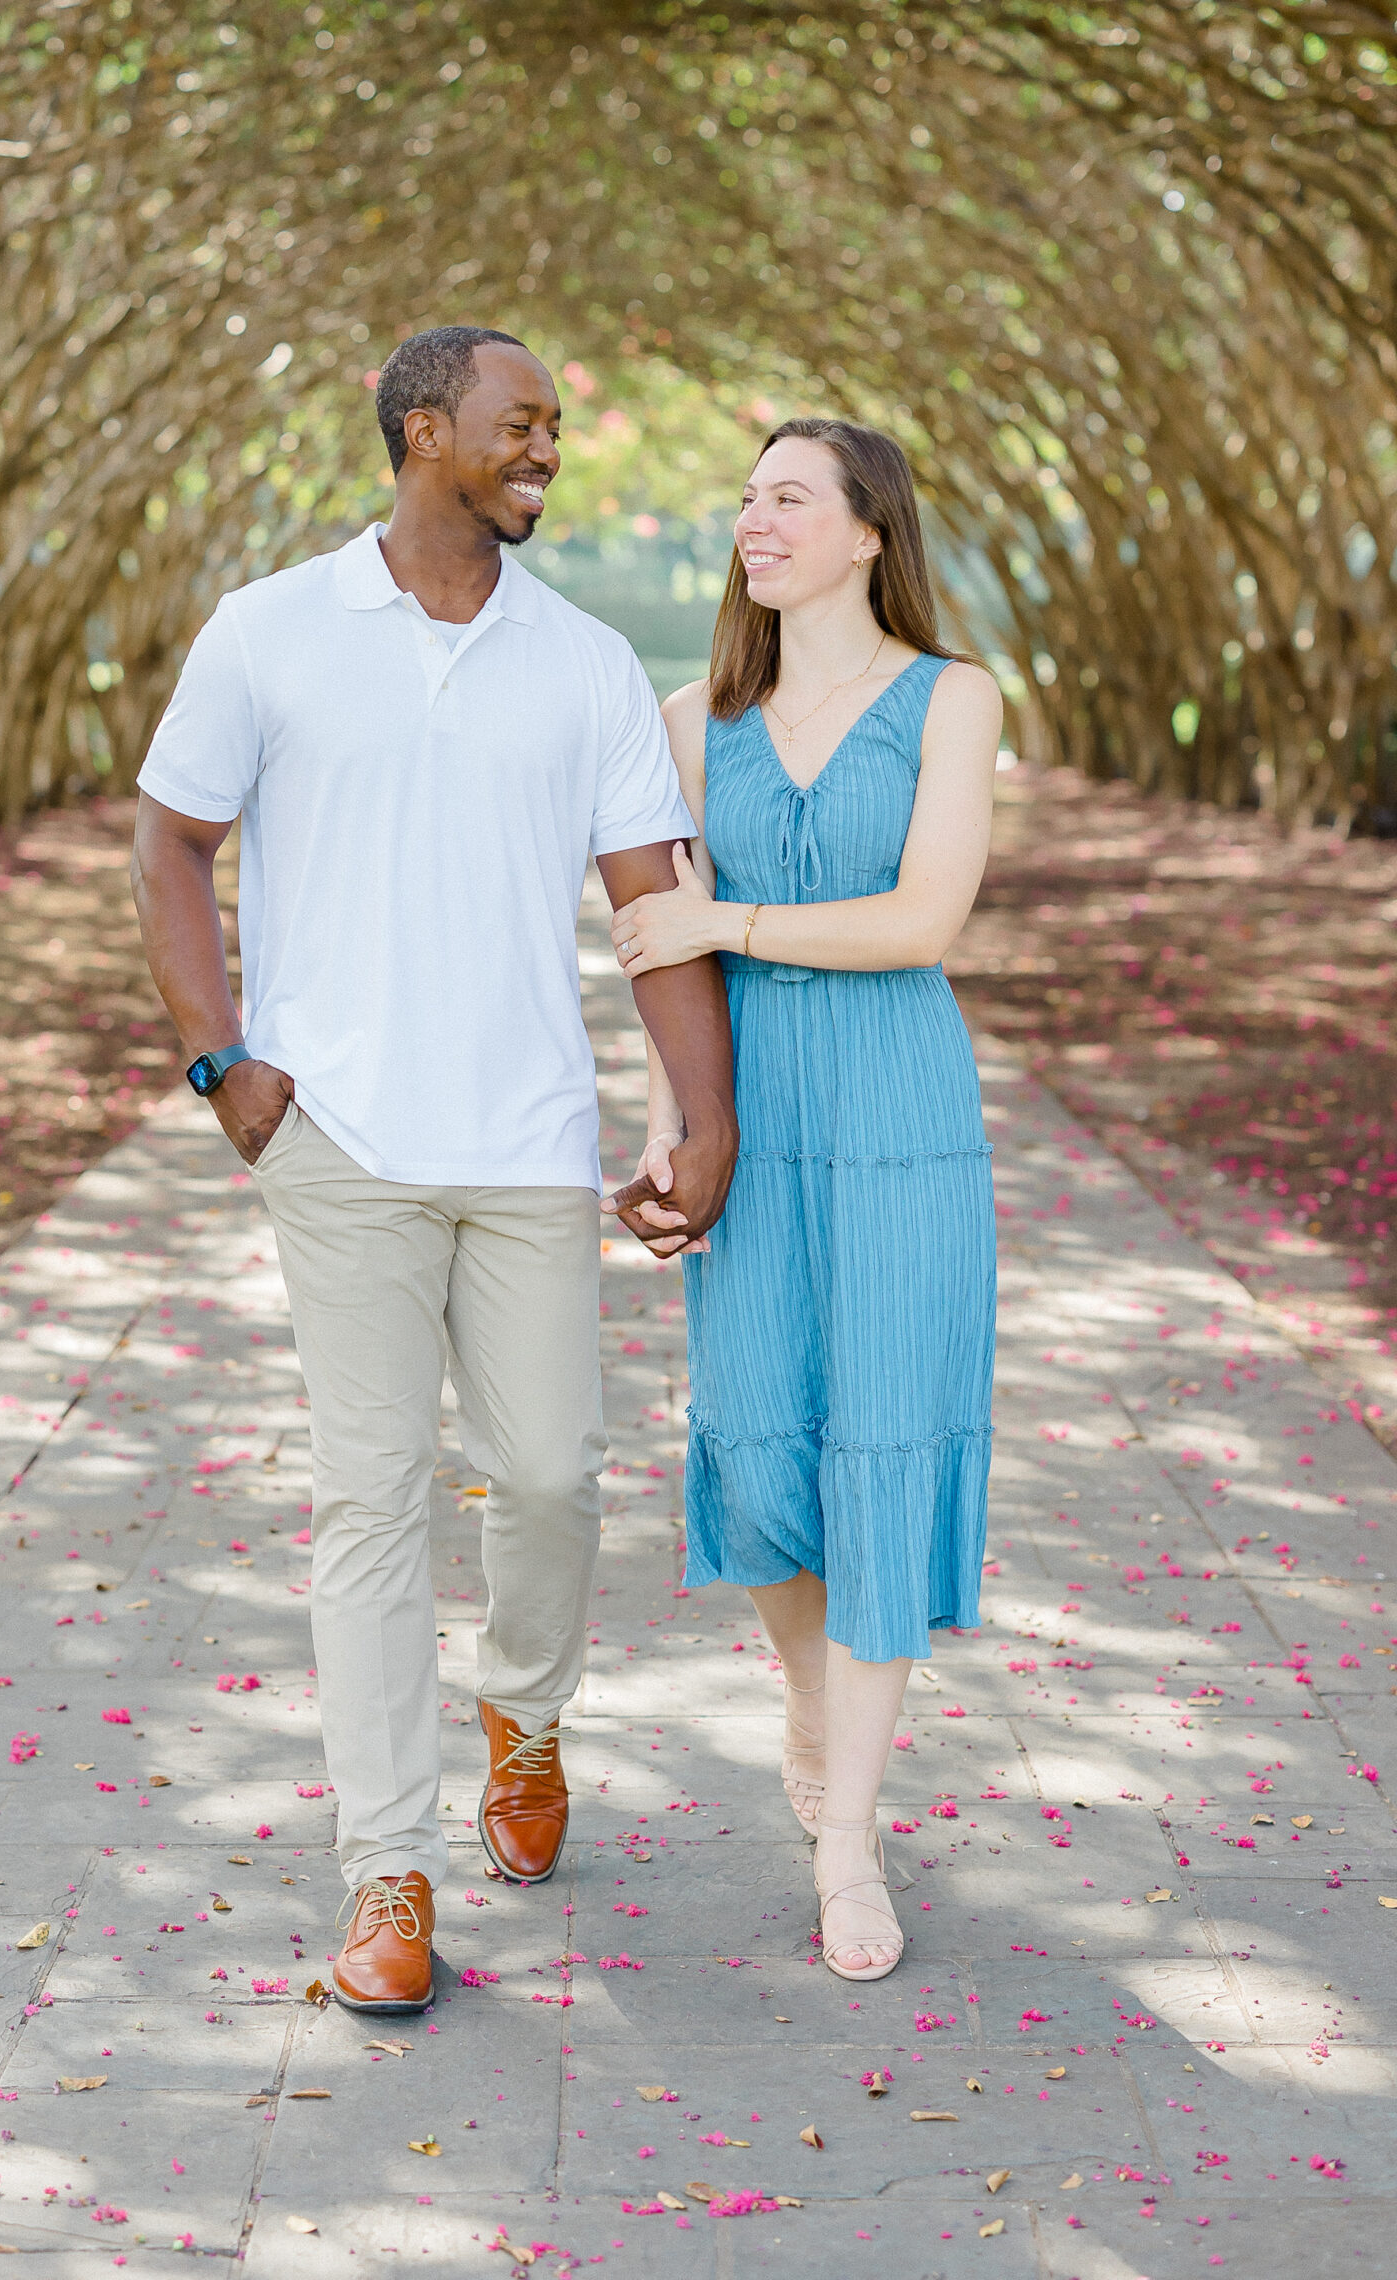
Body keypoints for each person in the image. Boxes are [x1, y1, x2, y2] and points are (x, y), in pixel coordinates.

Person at [129, 327, 735, 2016]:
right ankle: (385, 1872)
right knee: (371, 1499)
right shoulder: (271, 631)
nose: (547, 450)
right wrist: (223, 1062)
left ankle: (525, 1720)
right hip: (340, 1143)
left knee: (552, 1481)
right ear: (421, 433)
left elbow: (651, 900)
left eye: (554, 427)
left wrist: (705, 1112)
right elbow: (171, 840)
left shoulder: (587, 662)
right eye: (517, 424)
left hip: (529, 1141)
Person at [601, 417, 1002, 1983]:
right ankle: (808, 1693)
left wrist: (732, 911)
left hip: (903, 1116)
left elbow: (923, 917)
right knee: (764, 1467)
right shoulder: (694, 719)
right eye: (746, 499)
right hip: (755, 1124)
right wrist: (671, 1140)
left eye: (787, 498)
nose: (753, 521)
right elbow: (669, 964)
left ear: (861, 531)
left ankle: (848, 1843)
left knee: (884, 1454)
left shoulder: (950, 699)